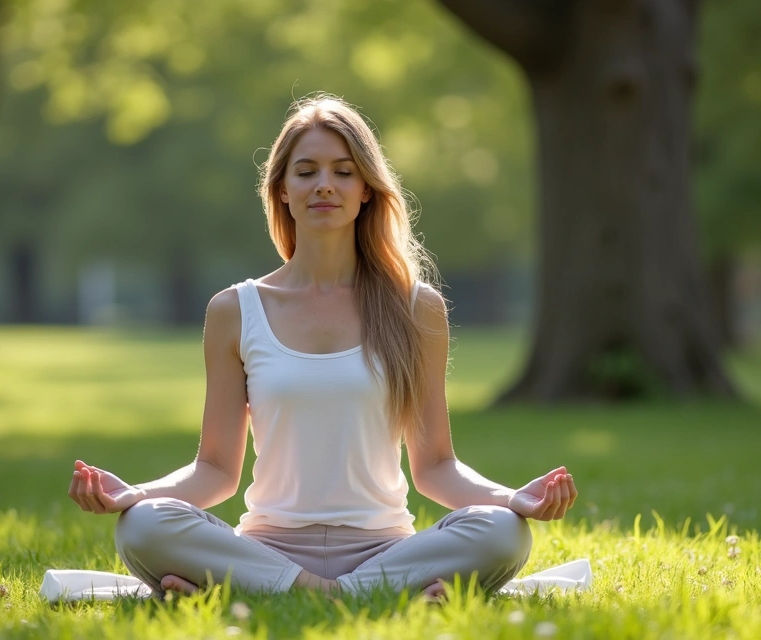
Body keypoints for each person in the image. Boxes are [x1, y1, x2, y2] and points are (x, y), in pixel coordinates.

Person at [67, 95, 578, 598]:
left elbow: (436, 466)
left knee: (503, 531)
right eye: (306, 171)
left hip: (384, 553)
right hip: (269, 549)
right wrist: (137, 495)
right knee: (142, 526)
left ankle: (271, 592)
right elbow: (216, 470)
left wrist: (512, 499)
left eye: (343, 171)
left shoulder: (417, 308)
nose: (324, 185)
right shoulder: (234, 310)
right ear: (282, 190)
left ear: (366, 191)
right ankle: (349, 595)